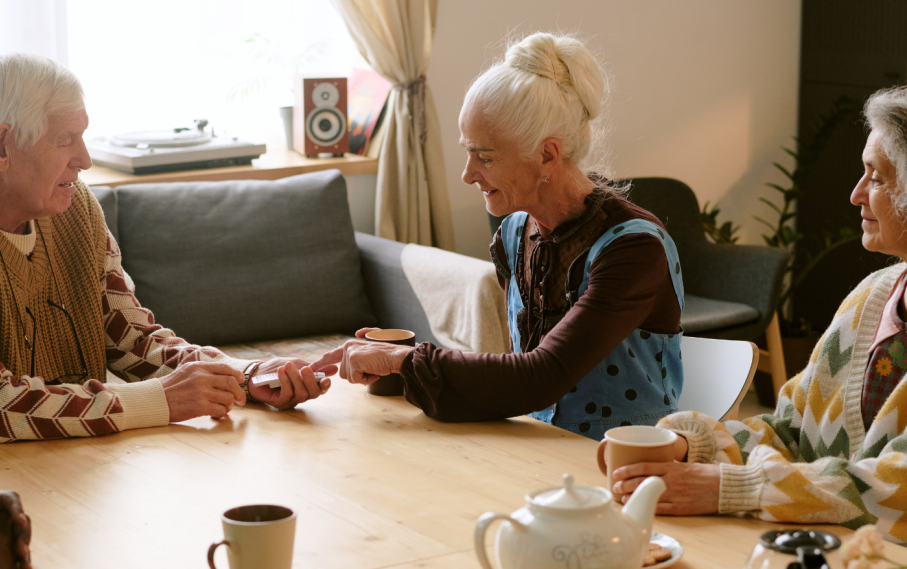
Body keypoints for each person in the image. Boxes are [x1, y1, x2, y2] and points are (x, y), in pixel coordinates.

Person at [0, 53, 333, 443]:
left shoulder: (74, 206)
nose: (85, 158)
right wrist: (159, 401)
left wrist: (245, 378)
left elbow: (133, 341)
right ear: (2, 146)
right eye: (66, 140)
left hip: (61, 464)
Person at [313, 33, 684, 439]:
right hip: (536, 445)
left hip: (621, 464)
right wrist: (398, 364)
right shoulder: (513, 232)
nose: (468, 174)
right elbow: (517, 379)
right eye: (468, 152)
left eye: (484, 157)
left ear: (547, 155)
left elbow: (542, 376)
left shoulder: (633, 247)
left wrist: (406, 363)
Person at [611, 86, 907, 541]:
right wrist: (692, 448)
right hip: (827, 558)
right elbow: (790, 432)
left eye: (877, 177)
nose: (855, 194)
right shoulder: (871, 298)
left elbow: (895, 488)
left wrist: (740, 489)